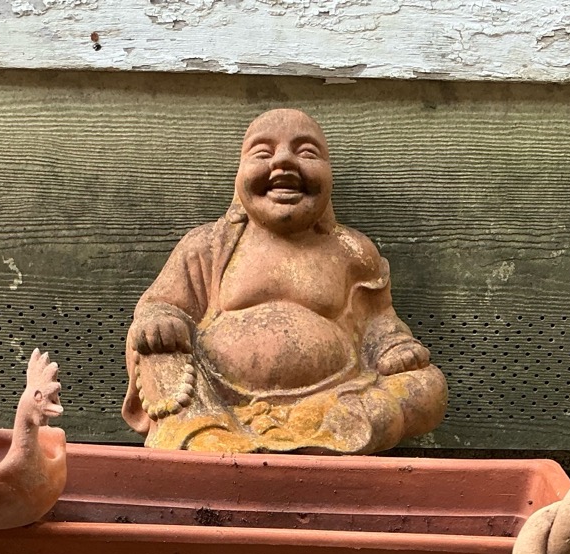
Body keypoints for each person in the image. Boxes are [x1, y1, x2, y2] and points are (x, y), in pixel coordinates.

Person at [122, 108, 448, 453]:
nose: (283, 162)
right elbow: (162, 304)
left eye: (306, 152)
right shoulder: (208, 244)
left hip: (336, 397)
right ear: (239, 176)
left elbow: (378, 321)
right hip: (216, 397)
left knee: (427, 388)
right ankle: (206, 430)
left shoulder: (352, 250)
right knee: (153, 353)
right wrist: (160, 321)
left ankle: (318, 431)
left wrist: (394, 347)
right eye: (263, 153)